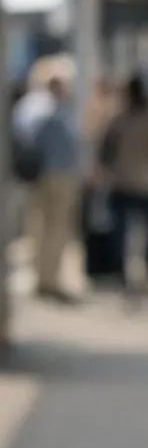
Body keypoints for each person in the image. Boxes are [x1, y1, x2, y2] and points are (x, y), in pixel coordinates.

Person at [13, 55, 81, 303]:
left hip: (42, 176)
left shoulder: (30, 106)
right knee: (53, 229)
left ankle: (44, 278)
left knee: (39, 228)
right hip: (54, 175)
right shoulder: (48, 107)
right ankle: (48, 280)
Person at [98, 74, 148, 294]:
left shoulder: (117, 118)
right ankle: (147, 272)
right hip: (147, 183)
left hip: (121, 182)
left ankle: (122, 273)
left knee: (120, 232)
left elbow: (105, 150)